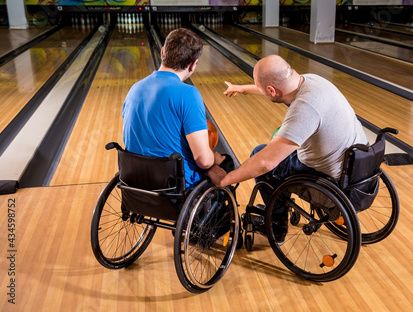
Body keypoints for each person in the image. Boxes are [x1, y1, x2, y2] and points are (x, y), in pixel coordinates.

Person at [207, 55, 367, 240]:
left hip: (332, 178)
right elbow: (277, 88)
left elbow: (266, 162)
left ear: (271, 90)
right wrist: (244, 89)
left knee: (260, 155)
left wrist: (225, 179)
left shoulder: (304, 108)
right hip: (357, 165)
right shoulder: (312, 81)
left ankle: (276, 225)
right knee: (277, 149)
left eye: (259, 87)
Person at [122, 28, 226, 188]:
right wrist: (214, 159)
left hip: (134, 180)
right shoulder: (188, 94)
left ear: (163, 52)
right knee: (227, 163)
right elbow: (204, 161)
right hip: (172, 186)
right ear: (193, 65)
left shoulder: (135, 88)